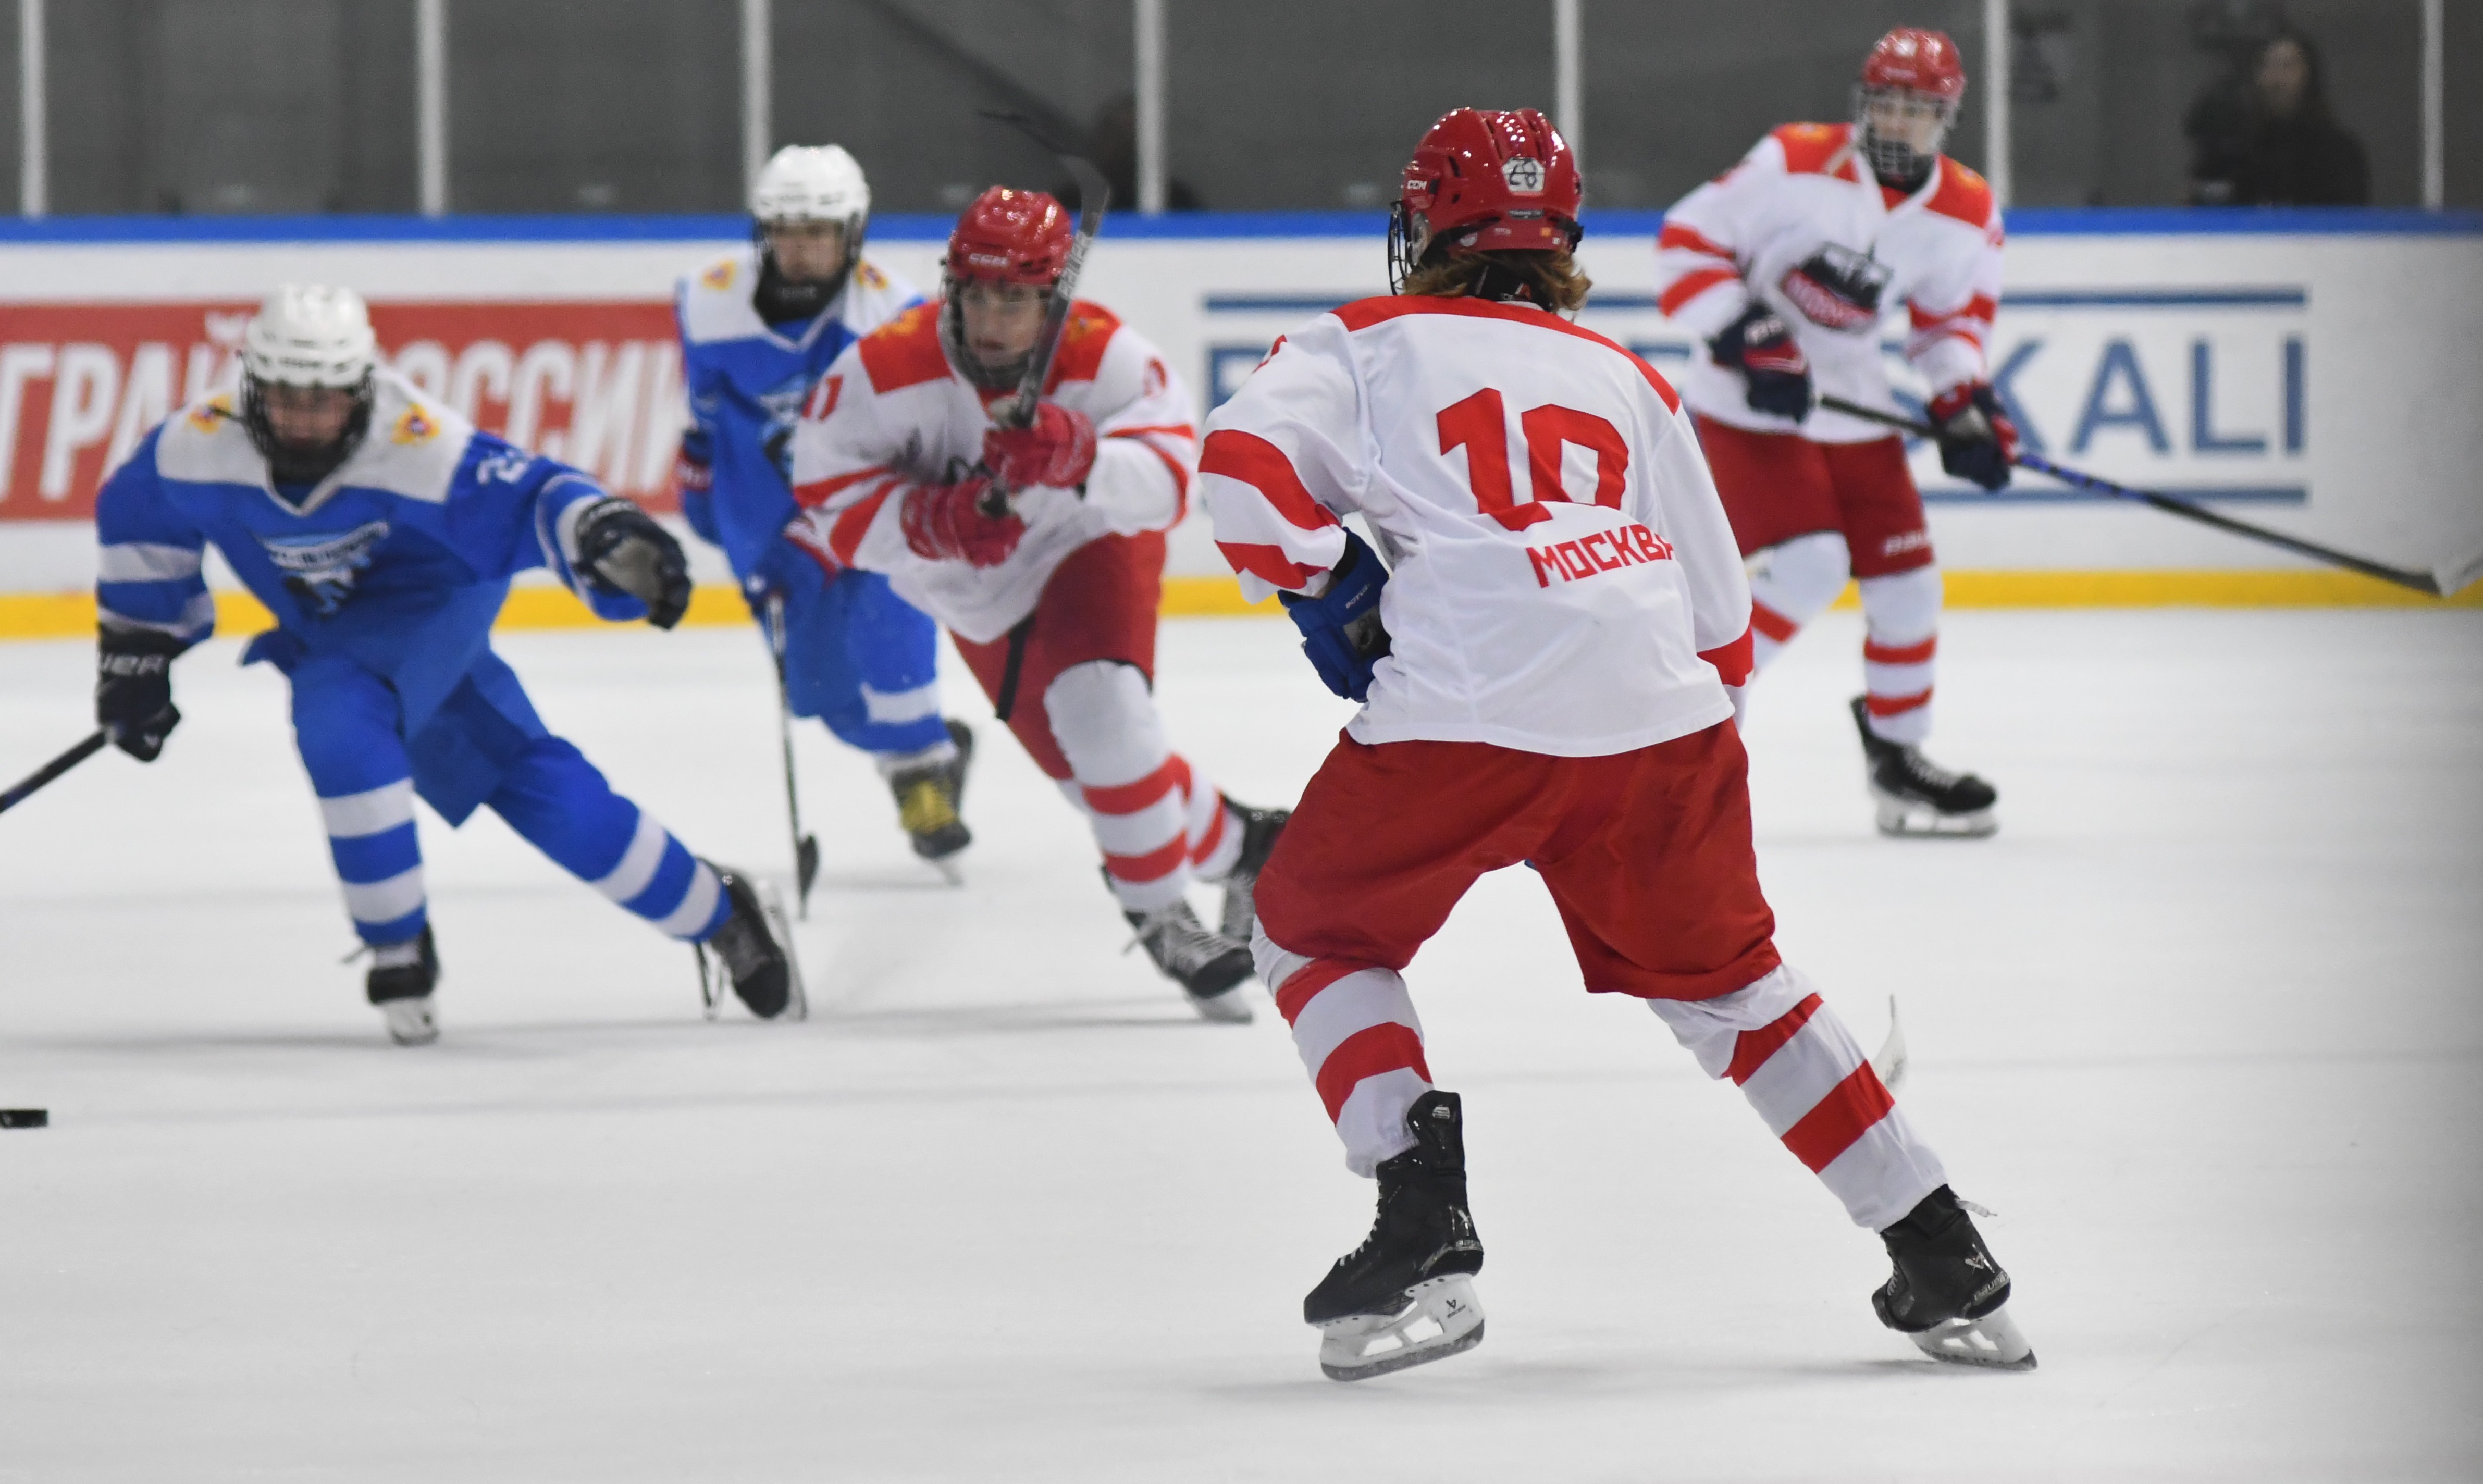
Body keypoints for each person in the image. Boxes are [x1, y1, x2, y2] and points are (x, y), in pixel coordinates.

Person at [1202, 107, 2032, 1381]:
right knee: (1735, 988)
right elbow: (1720, 618)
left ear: (1421, 227)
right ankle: (1939, 1249)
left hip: (1465, 707)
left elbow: (1241, 466)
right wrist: (1661, 756)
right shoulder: (1621, 374)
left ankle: (1421, 1215)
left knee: (1309, 925)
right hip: (1660, 718)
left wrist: (1328, 584)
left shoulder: (1362, 341)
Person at [92, 286, 799, 1045]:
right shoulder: (194, 449)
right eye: (285, 397)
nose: (305, 418)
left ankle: (396, 942)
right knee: (554, 802)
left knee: (336, 712)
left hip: (439, 604)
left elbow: (534, 493)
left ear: (362, 390)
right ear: (250, 386)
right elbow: (142, 523)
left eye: (326, 399)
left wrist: (604, 532)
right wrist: (137, 656)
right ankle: (718, 910)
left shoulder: (419, 445)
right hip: (345, 631)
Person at [786, 188, 1286, 1022]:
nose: (990, 320)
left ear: (1051, 298)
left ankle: (1158, 912)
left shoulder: (1107, 358)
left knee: (1104, 719)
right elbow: (826, 497)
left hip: (1086, 540)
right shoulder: (881, 370)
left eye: (1014, 299)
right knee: (1103, 787)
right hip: (976, 596)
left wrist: (1079, 454)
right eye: (976, 295)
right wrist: (927, 520)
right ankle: (1247, 847)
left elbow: (1166, 485)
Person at [1658, 26, 2013, 837]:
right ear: (1863, 103)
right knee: (1811, 565)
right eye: (1883, 104)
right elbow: (1685, 246)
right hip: (1747, 408)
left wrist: (1962, 405)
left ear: (1945, 118)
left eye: (1915, 110)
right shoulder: (1792, 160)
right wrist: (1746, 334)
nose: (1895, 124)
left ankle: (1898, 763)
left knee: (1909, 584)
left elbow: (1949, 325)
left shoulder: (1965, 211)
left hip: (1851, 404)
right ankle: (1685, 740)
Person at [676, 144, 975, 870]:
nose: (802, 249)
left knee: (888, 627)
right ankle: (936, 747)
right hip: (762, 517)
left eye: (818, 232)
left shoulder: (896, 316)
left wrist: (820, 540)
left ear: (852, 233)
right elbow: (707, 407)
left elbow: (901, 452)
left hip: (872, 507)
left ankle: (919, 776)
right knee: (822, 699)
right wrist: (700, 472)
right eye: (786, 231)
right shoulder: (707, 299)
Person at [2186, 31, 2369, 206]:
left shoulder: (2339, 153)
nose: (2277, 80)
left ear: (2309, 75)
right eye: (2268, 66)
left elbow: (2348, 224)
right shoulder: (2235, 152)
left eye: (2287, 66)